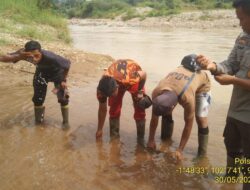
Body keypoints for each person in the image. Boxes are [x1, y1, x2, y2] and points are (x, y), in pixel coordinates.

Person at [197, 0, 250, 188]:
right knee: (233, 148)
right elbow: (231, 64)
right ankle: (229, 183)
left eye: (242, 18)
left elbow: (233, 76)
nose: (240, 23)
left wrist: (234, 80)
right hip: (236, 110)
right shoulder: (243, 38)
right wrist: (210, 65)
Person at [147, 54, 211, 161]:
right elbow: (154, 118)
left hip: (202, 85)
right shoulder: (157, 92)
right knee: (164, 111)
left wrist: (180, 150)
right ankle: (166, 140)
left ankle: (202, 154)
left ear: (174, 105)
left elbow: (188, 124)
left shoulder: (187, 98)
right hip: (179, 82)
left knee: (200, 118)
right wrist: (151, 140)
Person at [0, 40, 71, 129]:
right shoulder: (23, 54)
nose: (34, 59)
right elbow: (2, 58)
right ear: (26, 54)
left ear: (41, 52)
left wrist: (63, 80)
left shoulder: (52, 57)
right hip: (41, 74)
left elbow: (67, 64)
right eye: (30, 56)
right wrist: (18, 56)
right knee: (38, 99)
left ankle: (65, 122)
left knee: (63, 98)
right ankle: (39, 122)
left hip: (57, 74)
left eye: (37, 56)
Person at [95, 59, 151, 141]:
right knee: (114, 110)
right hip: (117, 77)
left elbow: (144, 74)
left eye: (112, 94)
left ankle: (140, 139)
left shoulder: (132, 77)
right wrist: (99, 129)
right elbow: (102, 109)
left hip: (131, 78)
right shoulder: (101, 89)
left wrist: (139, 91)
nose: (111, 96)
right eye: (109, 96)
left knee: (140, 107)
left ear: (117, 87)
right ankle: (114, 139)